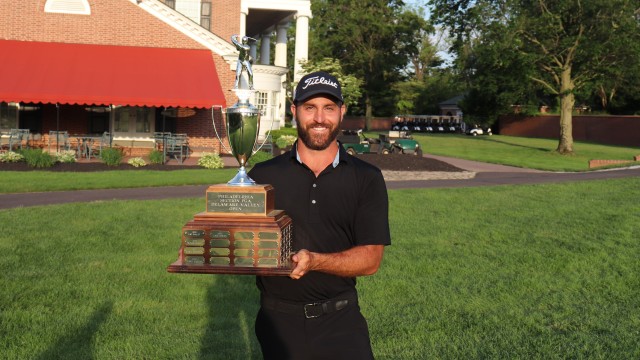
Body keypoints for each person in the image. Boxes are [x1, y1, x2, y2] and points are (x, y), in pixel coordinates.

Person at [248, 71, 391, 360]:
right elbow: (243, 242)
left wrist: (315, 261)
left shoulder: (367, 178)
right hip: (278, 321)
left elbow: (371, 258)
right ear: (294, 111)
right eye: (309, 108)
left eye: (328, 108)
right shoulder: (262, 176)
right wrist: (210, 246)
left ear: (341, 112)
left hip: (341, 320)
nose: (319, 118)